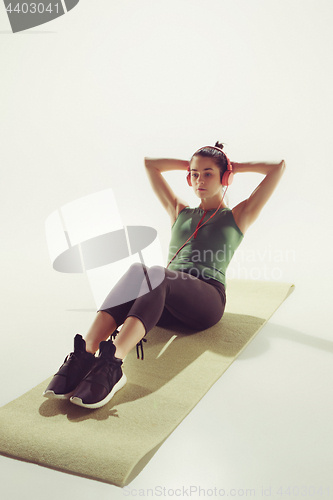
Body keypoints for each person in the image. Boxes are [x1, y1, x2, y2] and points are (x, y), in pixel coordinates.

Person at [43, 142, 286, 409]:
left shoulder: (238, 216)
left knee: (157, 272)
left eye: (208, 173)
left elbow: (278, 168)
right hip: (162, 303)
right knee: (139, 269)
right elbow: (150, 164)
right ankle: (85, 354)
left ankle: (113, 364)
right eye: (194, 174)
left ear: (223, 178)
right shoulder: (180, 211)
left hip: (207, 301)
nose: (199, 180)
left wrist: (233, 168)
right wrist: (192, 164)